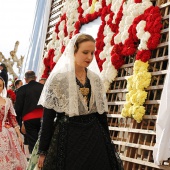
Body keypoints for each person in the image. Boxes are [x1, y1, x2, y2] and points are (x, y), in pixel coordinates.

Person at [37, 33, 124, 170]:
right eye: (85, 52)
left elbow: (101, 115)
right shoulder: (58, 80)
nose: (89, 57)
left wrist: (108, 143)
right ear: (73, 51)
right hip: (68, 138)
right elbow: (48, 118)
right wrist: (43, 151)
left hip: (94, 137)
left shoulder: (95, 79)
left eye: (92, 53)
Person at [0, 76, 27, 169]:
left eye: (0, 86)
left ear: (3, 88)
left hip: (5, 134)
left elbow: (13, 120)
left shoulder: (7, 101)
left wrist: (19, 136)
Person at [14, 70, 44, 154]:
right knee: (42, 140)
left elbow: (18, 107)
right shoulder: (43, 87)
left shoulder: (22, 89)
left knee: (33, 142)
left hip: (29, 118)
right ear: (35, 78)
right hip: (43, 117)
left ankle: (34, 161)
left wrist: (18, 121)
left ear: (25, 79)